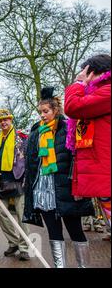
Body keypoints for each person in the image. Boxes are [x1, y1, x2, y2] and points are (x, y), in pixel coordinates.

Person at [24, 87, 94, 268]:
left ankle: (83, 266)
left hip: (66, 189)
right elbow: (32, 165)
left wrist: (82, 187)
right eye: (40, 112)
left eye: (46, 111)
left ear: (56, 110)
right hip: (44, 191)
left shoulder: (69, 128)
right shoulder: (35, 133)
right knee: (54, 233)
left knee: (75, 230)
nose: (42, 115)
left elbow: (79, 159)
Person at [64, 54, 111, 230]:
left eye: (86, 73)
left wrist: (78, 84)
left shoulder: (108, 91)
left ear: (94, 73)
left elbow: (73, 107)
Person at [0, 109, 30, 261]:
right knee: (0, 212)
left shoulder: (21, 136)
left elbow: (27, 158)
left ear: (11, 120)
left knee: (21, 216)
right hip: (2, 181)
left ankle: (24, 247)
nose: (3, 123)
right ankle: (14, 242)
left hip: (18, 180)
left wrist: (27, 179)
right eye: (0, 121)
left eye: (6, 120)